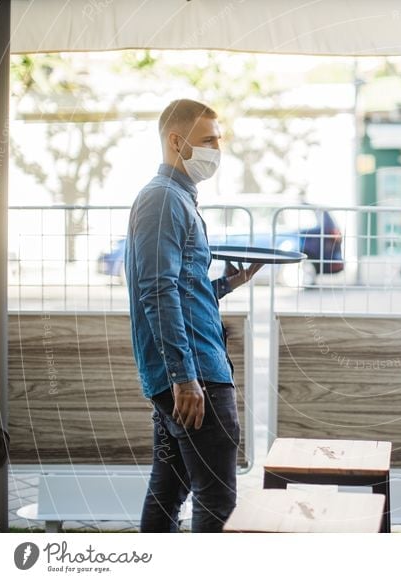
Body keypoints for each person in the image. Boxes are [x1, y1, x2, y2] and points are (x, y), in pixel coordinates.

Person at [125, 99, 261, 533]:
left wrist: (225, 285)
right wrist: (185, 378)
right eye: (208, 141)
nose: (217, 150)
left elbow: (181, 286)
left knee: (169, 489)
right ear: (176, 141)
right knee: (217, 497)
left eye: (219, 140)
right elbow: (157, 291)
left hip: (189, 373)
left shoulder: (174, 197)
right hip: (194, 376)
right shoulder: (163, 200)